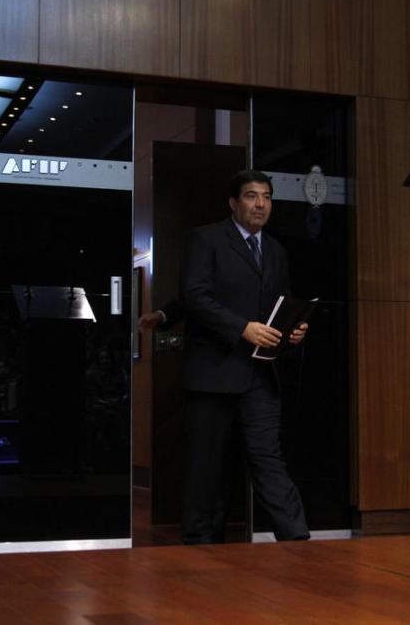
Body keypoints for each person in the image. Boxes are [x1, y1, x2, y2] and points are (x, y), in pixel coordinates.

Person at [179, 169, 310, 544]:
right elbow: (194, 297)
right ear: (233, 203)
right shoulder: (206, 239)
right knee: (207, 464)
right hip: (213, 372)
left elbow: (281, 305)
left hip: (260, 373)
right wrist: (241, 328)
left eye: (267, 197)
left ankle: (296, 537)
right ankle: (199, 544)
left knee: (268, 456)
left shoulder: (277, 251)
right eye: (252, 196)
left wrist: (293, 330)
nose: (260, 204)